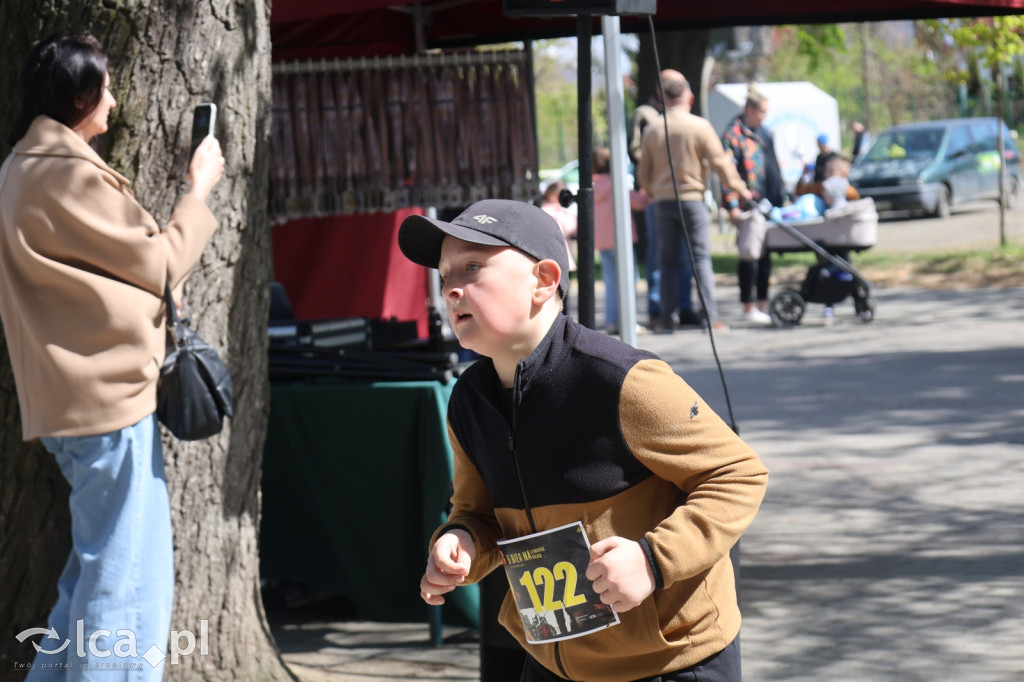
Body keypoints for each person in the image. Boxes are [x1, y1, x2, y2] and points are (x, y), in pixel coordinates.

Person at [399, 198, 768, 682]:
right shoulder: (467, 401)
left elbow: (739, 475)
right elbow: (478, 513)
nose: (451, 288)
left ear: (544, 280)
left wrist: (653, 560)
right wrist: (462, 542)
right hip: (551, 661)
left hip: (672, 662)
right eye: (444, 275)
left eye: (472, 267)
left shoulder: (622, 379)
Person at [0, 32, 225, 680]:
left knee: (93, 577)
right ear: (80, 97)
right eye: (105, 87)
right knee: (126, 589)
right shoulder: (63, 173)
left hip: (70, 400)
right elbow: (159, 263)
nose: (116, 101)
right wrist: (198, 190)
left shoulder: (24, 167)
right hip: (104, 401)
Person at [637, 70, 752, 333]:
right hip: (693, 201)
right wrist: (740, 189)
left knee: (666, 263)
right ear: (688, 96)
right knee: (700, 260)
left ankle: (666, 319)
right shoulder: (699, 126)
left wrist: (655, 191)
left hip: (663, 203)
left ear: (663, 96)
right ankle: (710, 319)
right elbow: (720, 162)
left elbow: (643, 173)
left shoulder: (654, 128)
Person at [721, 84, 784, 325]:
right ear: (749, 109)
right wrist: (732, 205)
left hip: (769, 205)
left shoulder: (764, 132)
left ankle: (762, 305)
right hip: (749, 205)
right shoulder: (733, 135)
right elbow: (726, 172)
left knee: (766, 257)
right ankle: (748, 306)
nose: (764, 117)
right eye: (761, 112)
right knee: (750, 254)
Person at [592, 146, 648, 335]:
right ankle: (628, 321)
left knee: (610, 280)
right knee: (628, 279)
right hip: (620, 237)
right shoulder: (618, 184)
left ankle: (611, 321)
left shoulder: (591, 185)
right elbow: (638, 202)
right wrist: (647, 189)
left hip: (601, 239)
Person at [628, 93, 664, 325]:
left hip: (668, 192)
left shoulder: (667, 117)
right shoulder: (644, 114)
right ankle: (656, 308)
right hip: (653, 192)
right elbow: (635, 150)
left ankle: (677, 307)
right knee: (656, 255)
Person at [539, 179, 577, 275]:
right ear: (553, 196)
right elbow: (568, 228)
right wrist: (569, 216)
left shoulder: (543, 209)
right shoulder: (552, 211)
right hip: (558, 257)